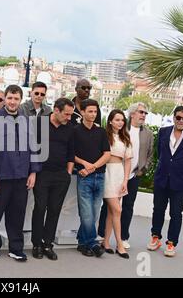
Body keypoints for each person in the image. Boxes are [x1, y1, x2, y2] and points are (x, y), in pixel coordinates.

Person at [0, 85, 41, 262]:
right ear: (5, 98)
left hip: (21, 174)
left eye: (16, 99)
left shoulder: (26, 120)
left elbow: (34, 147)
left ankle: (16, 248)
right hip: (1, 175)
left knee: (17, 214)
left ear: (20, 100)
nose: (12, 102)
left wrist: (33, 172)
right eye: (9, 98)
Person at [147, 106, 183, 257]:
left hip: (181, 181)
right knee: (158, 209)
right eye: (178, 117)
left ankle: (171, 243)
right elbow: (159, 153)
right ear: (174, 117)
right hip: (162, 179)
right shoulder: (164, 132)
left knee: (176, 213)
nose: (180, 120)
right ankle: (155, 237)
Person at [98, 103, 153, 249]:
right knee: (112, 208)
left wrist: (141, 170)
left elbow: (149, 154)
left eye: (145, 113)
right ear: (132, 114)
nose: (143, 115)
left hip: (131, 175)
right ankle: (103, 236)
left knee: (127, 206)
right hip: (110, 173)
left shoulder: (146, 133)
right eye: (141, 112)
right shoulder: (115, 132)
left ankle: (120, 238)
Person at [31, 98, 75, 261]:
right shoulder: (38, 124)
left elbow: (71, 152)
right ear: (56, 110)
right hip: (41, 173)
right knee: (40, 208)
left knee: (54, 210)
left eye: (71, 115)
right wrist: (33, 172)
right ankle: (36, 244)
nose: (69, 118)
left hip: (61, 176)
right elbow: (32, 149)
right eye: (66, 114)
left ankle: (47, 244)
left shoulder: (70, 128)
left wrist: (68, 173)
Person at [74, 99, 111, 258]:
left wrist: (93, 167)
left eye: (95, 112)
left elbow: (107, 154)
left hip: (100, 176)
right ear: (82, 112)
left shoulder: (101, 132)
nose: (93, 114)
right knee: (87, 214)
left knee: (94, 214)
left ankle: (82, 243)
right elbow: (71, 155)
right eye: (90, 111)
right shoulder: (75, 131)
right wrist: (84, 165)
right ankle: (92, 243)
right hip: (84, 178)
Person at [102, 110, 132, 260]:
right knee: (117, 210)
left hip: (119, 174)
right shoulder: (104, 135)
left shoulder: (126, 138)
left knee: (111, 212)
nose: (120, 123)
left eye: (122, 120)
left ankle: (106, 242)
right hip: (107, 173)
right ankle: (120, 244)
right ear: (110, 121)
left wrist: (125, 180)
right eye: (117, 120)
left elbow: (128, 161)